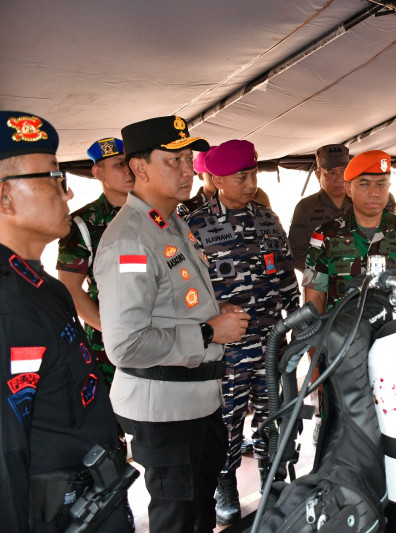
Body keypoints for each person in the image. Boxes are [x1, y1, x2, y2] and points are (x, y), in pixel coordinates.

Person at [94, 115, 250, 533]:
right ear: (139, 168)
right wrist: (208, 331)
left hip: (198, 400)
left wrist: (216, 318)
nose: (188, 169)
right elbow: (124, 345)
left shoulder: (170, 222)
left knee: (199, 514)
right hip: (163, 408)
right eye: (173, 160)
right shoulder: (130, 239)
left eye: (189, 158)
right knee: (177, 520)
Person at [0, 111, 130, 532]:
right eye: (55, 179)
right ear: (4, 197)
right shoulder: (9, 306)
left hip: (92, 502)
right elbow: (6, 457)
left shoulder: (40, 286)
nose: (68, 194)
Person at [185, 139, 300, 525]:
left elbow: (285, 275)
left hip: (271, 341)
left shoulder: (268, 219)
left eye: (253, 173)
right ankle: (226, 486)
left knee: (273, 416)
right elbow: (185, 290)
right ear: (216, 179)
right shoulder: (194, 226)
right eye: (241, 176)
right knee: (226, 424)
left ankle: (274, 482)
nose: (250, 182)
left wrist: (297, 323)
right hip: (227, 350)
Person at [303, 150, 396, 320]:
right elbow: (314, 300)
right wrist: (316, 346)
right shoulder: (326, 235)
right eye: (364, 184)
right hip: (343, 340)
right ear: (348, 188)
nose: (374, 192)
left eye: (381, 184)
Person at [57, 137, 134, 385]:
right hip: (110, 350)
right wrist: (112, 332)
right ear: (97, 172)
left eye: (130, 163)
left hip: (160, 338)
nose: (128, 170)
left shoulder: (157, 214)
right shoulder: (83, 223)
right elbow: (70, 288)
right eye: (119, 165)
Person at [288, 144, 351, 271]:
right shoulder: (305, 207)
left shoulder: (361, 203)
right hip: (320, 284)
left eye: (343, 172)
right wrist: (321, 274)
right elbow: (296, 252)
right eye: (331, 173)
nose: (339, 179)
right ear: (318, 175)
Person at [180, 148, 271, 215]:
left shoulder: (254, 197)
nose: (220, 177)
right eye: (212, 174)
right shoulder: (188, 208)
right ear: (200, 176)